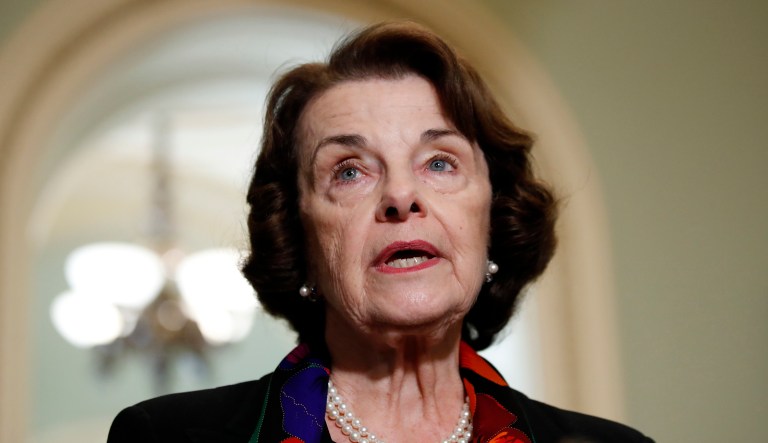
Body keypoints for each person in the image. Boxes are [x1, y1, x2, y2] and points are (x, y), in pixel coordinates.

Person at [108, 21, 653, 443]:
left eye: (440, 163)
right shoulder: (164, 437)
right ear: (299, 241)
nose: (400, 196)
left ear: (494, 218)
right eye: (349, 171)